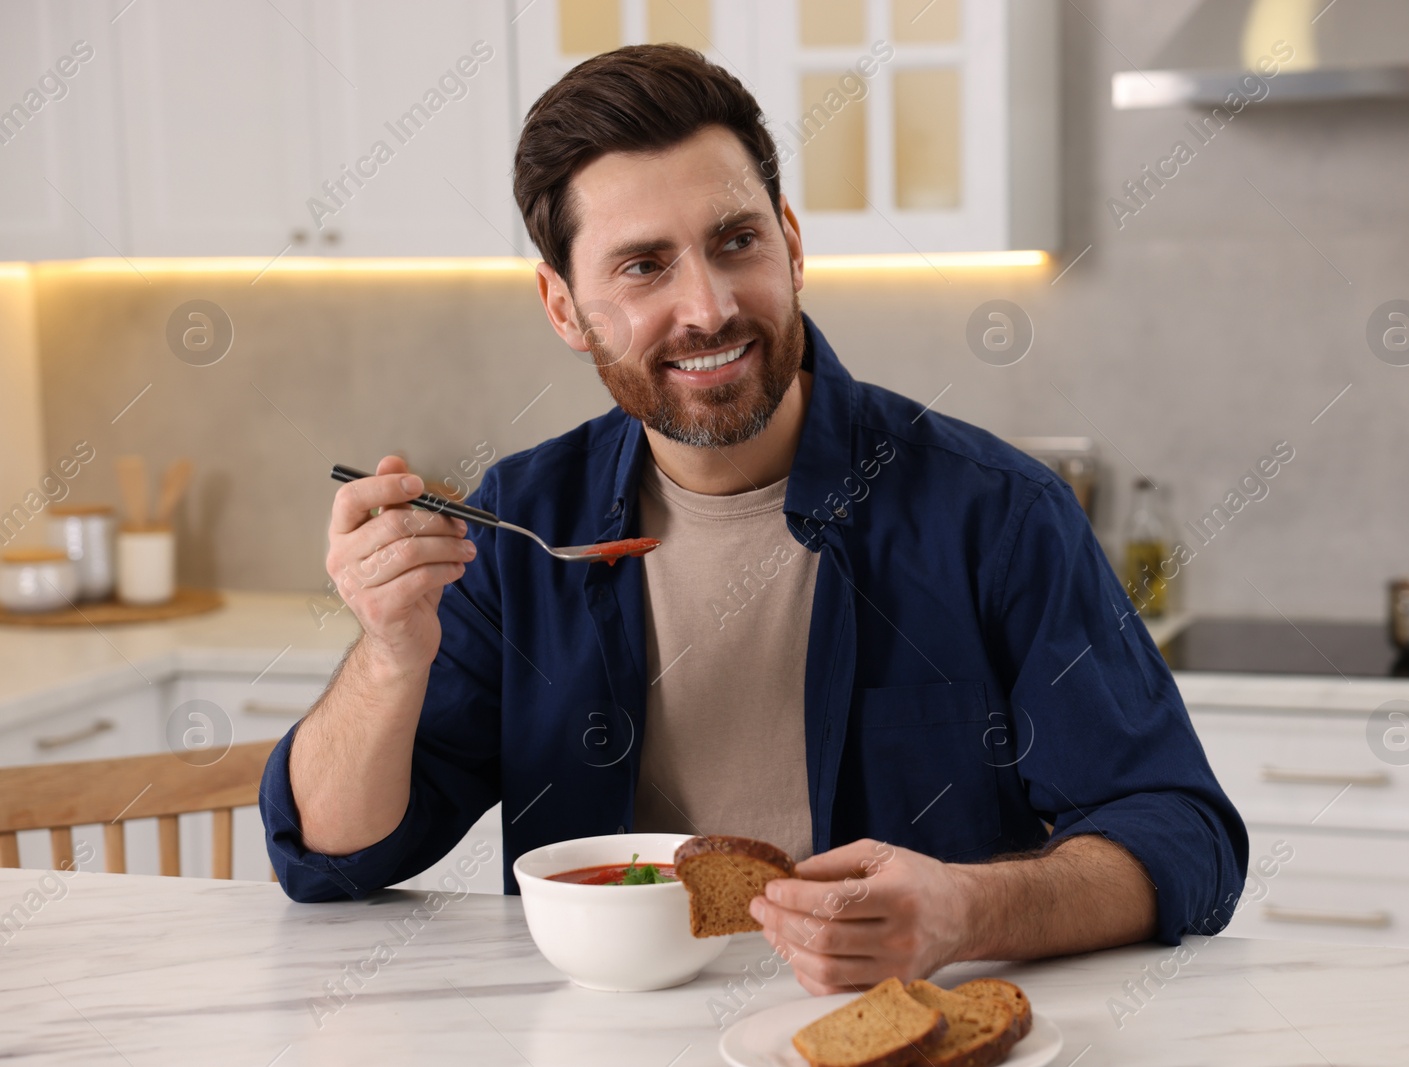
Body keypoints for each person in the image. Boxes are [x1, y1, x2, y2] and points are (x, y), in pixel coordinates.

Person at [261, 43, 1246, 995]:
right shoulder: (518, 529)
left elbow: (1180, 835)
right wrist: (390, 655)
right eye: (644, 266)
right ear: (564, 308)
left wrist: (965, 908)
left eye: (735, 241)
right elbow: (332, 858)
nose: (709, 304)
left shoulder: (997, 514)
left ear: (792, 241)